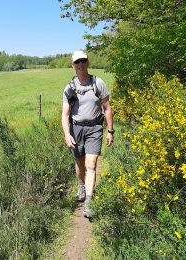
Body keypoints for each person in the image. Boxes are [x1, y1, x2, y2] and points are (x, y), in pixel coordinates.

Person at [62, 50, 114, 218]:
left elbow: (107, 108)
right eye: (77, 62)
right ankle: (81, 185)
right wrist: (66, 134)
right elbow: (64, 114)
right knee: (80, 165)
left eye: (83, 61)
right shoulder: (69, 88)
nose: (81, 64)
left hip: (94, 129)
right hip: (76, 129)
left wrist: (110, 131)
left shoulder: (98, 83)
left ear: (88, 63)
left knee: (91, 165)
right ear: (73, 65)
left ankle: (89, 202)